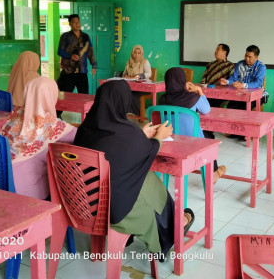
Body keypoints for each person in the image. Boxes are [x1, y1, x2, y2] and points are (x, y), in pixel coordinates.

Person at [74, 80, 194, 259]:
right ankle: (167, 236)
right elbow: (147, 151)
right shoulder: (128, 133)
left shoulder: (84, 129)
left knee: (142, 181)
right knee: (149, 182)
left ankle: (168, 223)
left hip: (84, 203)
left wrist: (140, 134)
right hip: (114, 211)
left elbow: (118, 146)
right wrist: (159, 137)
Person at [0, 77, 77, 199]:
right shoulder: (53, 124)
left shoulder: (14, 114)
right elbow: (79, 137)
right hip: (27, 193)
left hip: (1, 180)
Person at [160, 67, 226, 184]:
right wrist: (200, 91)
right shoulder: (193, 97)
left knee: (205, 135)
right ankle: (213, 173)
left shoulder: (162, 99)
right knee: (209, 137)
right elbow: (206, 110)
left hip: (170, 142)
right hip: (192, 143)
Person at [57, 14, 97, 95]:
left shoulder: (85, 36)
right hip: (69, 71)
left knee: (84, 96)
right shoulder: (65, 36)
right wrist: (70, 56)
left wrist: (94, 65)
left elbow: (90, 51)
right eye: (74, 22)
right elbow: (60, 51)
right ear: (70, 24)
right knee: (65, 96)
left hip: (82, 71)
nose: (77, 24)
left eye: (78, 22)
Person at [220, 45, 266, 110]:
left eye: (250, 57)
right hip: (240, 93)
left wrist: (243, 85)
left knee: (244, 107)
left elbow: (258, 83)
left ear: (256, 57)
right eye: (246, 55)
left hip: (257, 95)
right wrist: (227, 81)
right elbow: (234, 78)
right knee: (230, 107)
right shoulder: (240, 64)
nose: (247, 58)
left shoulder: (261, 67)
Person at [200, 43, 235, 108]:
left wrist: (225, 84)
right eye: (216, 49)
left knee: (211, 103)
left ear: (224, 52)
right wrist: (203, 86)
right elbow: (204, 77)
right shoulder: (211, 64)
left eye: (218, 49)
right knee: (196, 99)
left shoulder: (230, 66)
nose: (215, 51)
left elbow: (232, 81)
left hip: (220, 94)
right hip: (207, 92)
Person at [123, 44, 152, 115]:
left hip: (143, 88)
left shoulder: (145, 62)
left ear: (141, 53)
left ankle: (138, 114)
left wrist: (138, 76)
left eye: (139, 53)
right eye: (135, 53)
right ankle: (126, 112)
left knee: (134, 95)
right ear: (132, 53)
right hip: (132, 86)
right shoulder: (129, 62)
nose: (137, 55)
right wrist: (125, 75)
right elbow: (125, 73)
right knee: (123, 93)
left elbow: (149, 73)